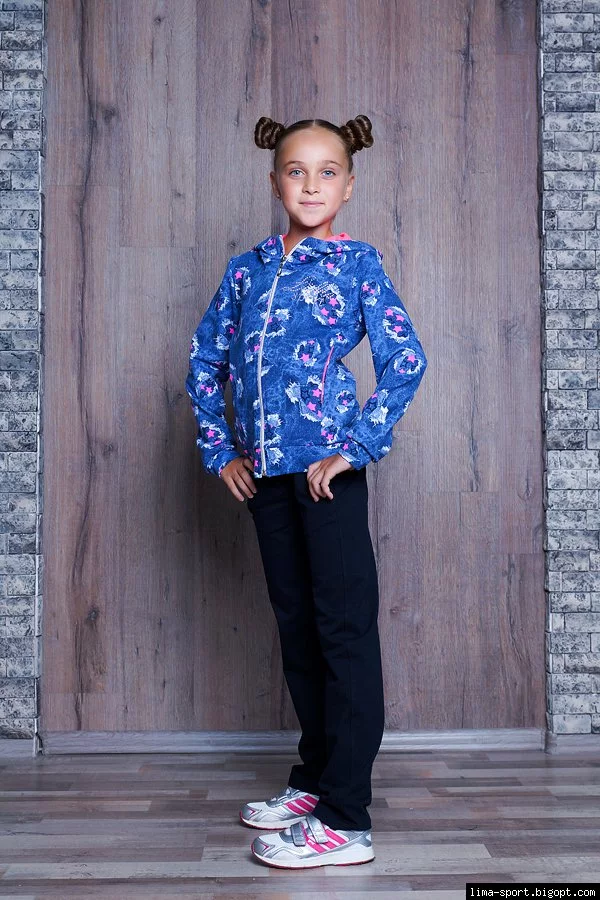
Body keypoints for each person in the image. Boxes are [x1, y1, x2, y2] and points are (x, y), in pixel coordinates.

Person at [185, 114, 428, 869]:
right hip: (265, 478)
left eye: (328, 172)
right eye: (297, 171)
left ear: (348, 186)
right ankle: (315, 780)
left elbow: (406, 359)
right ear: (274, 182)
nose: (312, 184)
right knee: (298, 631)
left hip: (327, 481)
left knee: (342, 633)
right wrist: (220, 450)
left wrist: (355, 448)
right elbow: (204, 361)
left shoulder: (357, 264)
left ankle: (345, 820)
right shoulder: (246, 270)